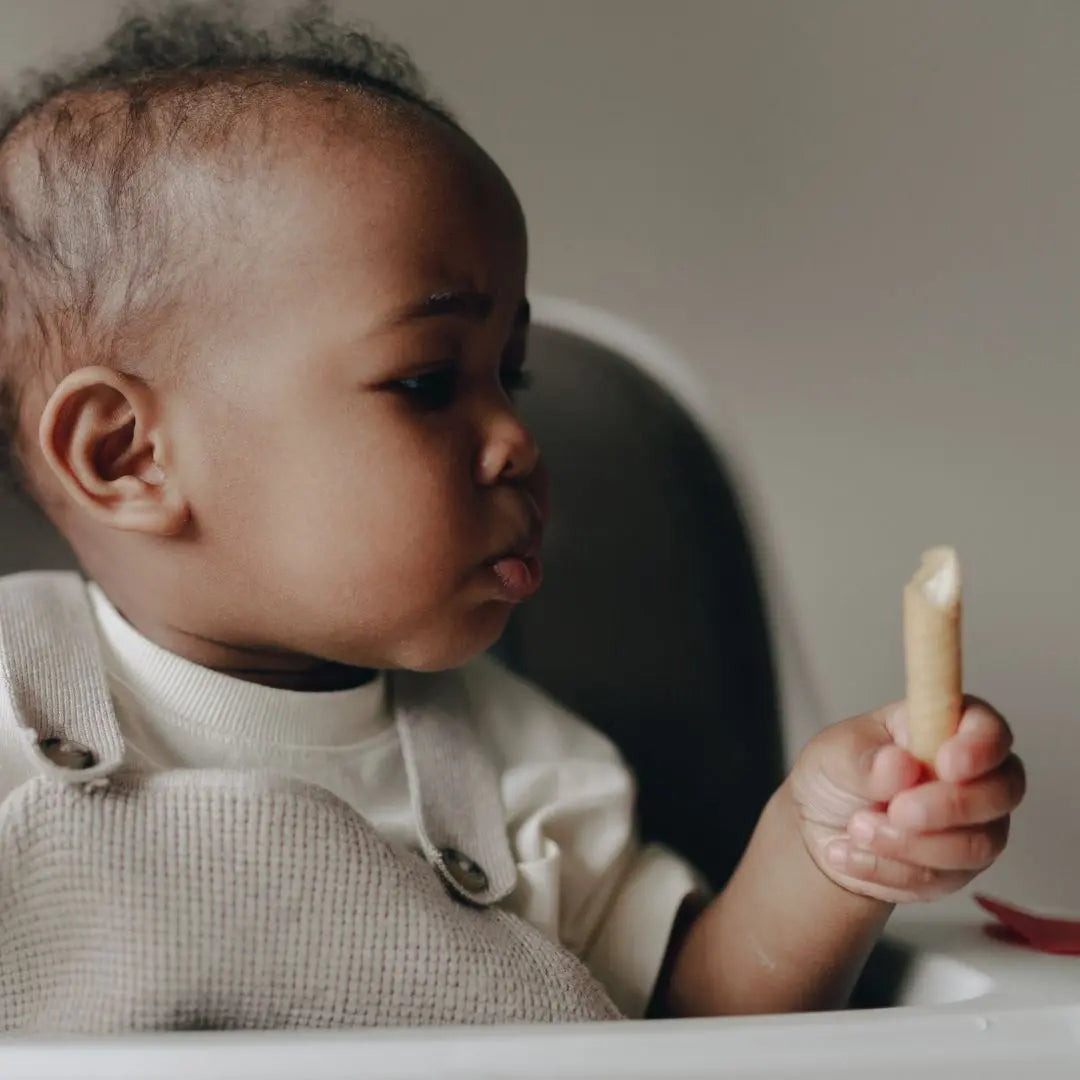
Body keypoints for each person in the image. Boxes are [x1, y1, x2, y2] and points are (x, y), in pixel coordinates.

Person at [0, 0, 1025, 1031]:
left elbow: (698, 1024)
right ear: (122, 454)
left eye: (512, 376)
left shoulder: (531, 773)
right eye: (427, 383)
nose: (519, 442)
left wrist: (829, 854)